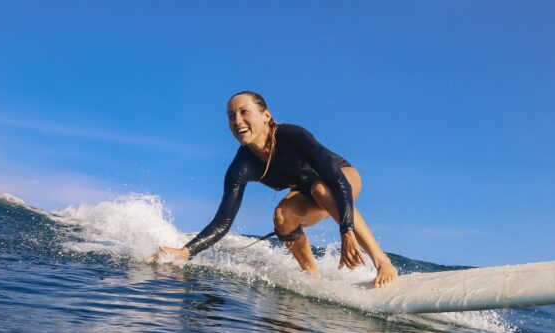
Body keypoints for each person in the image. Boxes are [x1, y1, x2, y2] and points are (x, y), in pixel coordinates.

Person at [152, 91, 398, 288]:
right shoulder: (241, 166)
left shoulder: (294, 136)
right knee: (282, 217)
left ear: (266, 115)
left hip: (342, 178)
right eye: (230, 115)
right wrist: (186, 252)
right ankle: (312, 277)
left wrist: (346, 231)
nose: (237, 120)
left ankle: (382, 262)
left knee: (322, 189)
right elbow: (222, 221)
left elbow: (337, 181)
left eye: (244, 112)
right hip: (308, 192)